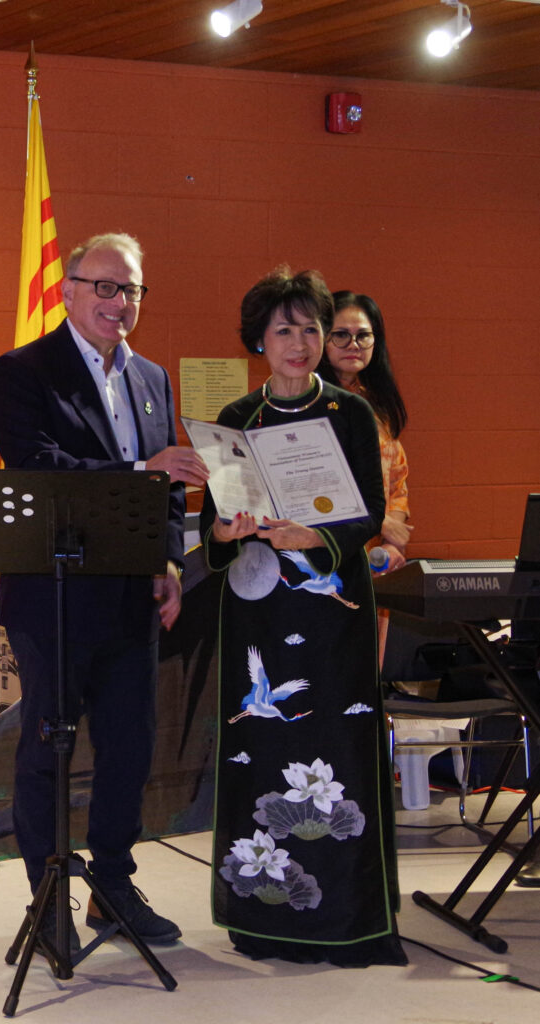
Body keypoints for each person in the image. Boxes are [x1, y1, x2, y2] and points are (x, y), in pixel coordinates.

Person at [0, 232, 208, 952]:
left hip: (129, 600)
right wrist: (142, 468)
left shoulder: (151, 377)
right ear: (68, 291)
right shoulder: (22, 370)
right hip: (52, 598)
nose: (120, 303)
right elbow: (37, 464)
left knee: (129, 749)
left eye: (132, 290)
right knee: (47, 751)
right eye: (105, 287)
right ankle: (47, 898)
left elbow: (168, 493)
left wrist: (168, 562)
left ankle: (112, 889)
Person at [199, 266, 406, 967]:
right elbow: (215, 526)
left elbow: (370, 511)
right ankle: (262, 921)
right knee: (260, 751)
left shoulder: (350, 414)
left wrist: (315, 535)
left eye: (310, 329)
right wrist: (225, 531)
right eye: (283, 330)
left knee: (338, 746)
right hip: (257, 612)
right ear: (258, 339)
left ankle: (349, 923)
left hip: (332, 610)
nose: (299, 343)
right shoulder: (236, 419)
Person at [320, 291, 411, 574]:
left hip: (373, 563)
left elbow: (397, 482)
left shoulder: (376, 405)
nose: (354, 345)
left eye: (363, 336)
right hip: (323, 558)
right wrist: (379, 522)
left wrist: (392, 543)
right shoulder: (307, 404)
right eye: (341, 335)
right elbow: (312, 486)